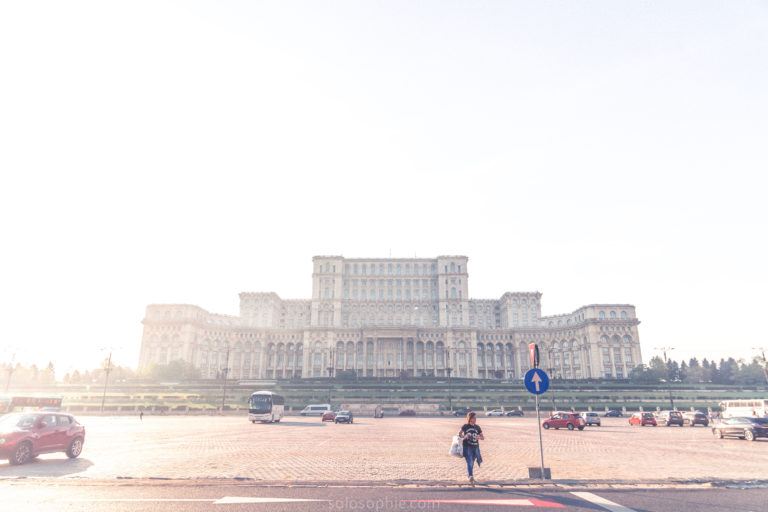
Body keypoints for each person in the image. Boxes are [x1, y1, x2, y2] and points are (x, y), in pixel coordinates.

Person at [458, 411, 484, 484]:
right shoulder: (465, 426)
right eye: (474, 417)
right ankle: (470, 476)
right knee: (469, 461)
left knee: (472, 462)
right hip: (467, 446)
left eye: (475, 417)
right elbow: (459, 434)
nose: (475, 419)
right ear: (470, 418)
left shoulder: (477, 427)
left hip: (475, 447)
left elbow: (483, 437)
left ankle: (470, 475)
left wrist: (479, 437)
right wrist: (465, 436)